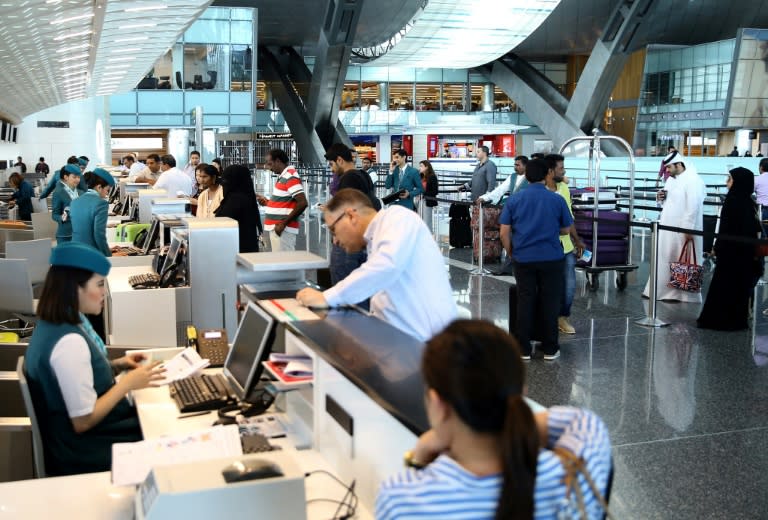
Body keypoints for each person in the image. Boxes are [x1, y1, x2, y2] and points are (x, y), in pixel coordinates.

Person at [375, 320, 612, 520]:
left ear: (437, 403)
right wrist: (506, 417)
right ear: (522, 393)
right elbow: (580, 420)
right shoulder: (574, 477)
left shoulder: (403, 501)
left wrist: (418, 458)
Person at [24, 242, 165, 476]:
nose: (102, 292)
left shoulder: (56, 323)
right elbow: (83, 420)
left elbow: (72, 378)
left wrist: (117, 366)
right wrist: (128, 383)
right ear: (75, 288)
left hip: (86, 441)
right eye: (99, 285)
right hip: (92, 448)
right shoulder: (68, 342)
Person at [296, 189, 457, 342]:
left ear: (351, 216)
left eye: (333, 230)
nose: (335, 240)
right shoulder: (374, 240)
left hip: (425, 347)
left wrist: (326, 297)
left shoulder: (397, 218)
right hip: (398, 340)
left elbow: (386, 266)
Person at [500, 159, 573, 360]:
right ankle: (550, 348)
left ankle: (523, 348)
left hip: (523, 258)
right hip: (551, 258)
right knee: (550, 301)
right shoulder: (556, 200)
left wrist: (512, 252)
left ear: (527, 176)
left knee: (525, 301)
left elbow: (504, 232)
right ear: (546, 175)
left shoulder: (514, 199)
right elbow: (566, 229)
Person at [697, 167, 763, 330]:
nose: (727, 182)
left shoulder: (732, 201)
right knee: (737, 288)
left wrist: (716, 248)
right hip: (744, 254)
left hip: (730, 253)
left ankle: (718, 320)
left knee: (723, 286)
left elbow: (725, 229)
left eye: (730, 178)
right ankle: (735, 320)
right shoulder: (749, 202)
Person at [642, 151, 706, 302]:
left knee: (684, 260)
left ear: (679, 164)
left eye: (669, 167)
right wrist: (660, 198)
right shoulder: (671, 180)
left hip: (684, 229)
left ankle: (684, 295)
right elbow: (667, 201)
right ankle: (660, 291)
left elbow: (693, 206)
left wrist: (687, 228)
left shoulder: (693, 180)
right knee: (666, 258)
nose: (667, 171)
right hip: (668, 227)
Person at [324, 143, 380, 288]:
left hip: (351, 241)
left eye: (332, 164)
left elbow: (347, 211)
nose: (332, 169)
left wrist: (337, 235)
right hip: (364, 238)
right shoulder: (363, 175)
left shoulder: (347, 178)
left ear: (340, 160)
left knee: (345, 285)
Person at [545, 153, 585, 335]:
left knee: (568, 286)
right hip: (545, 246)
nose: (564, 171)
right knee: (546, 285)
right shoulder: (539, 190)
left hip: (566, 247)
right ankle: (546, 319)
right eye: (561, 168)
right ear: (551, 170)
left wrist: (577, 240)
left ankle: (563, 317)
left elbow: (569, 219)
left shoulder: (564, 189)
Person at [257, 148, 308, 252]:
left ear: (278, 161)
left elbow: (303, 203)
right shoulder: (284, 176)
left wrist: (283, 223)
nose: (269, 168)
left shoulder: (290, 176)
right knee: (280, 262)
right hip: (278, 228)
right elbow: (285, 201)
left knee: (285, 262)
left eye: (270, 164)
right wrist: (267, 202)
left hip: (282, 229)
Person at [215, 164, 262, 253]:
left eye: (226, 180)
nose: (223, 184)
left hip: (237, 250)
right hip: (246, 248)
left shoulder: (235, 200)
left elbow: (223, 220)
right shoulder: (246, 196)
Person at [70, 168, 115, 257]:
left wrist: (106, 249)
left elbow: (84, 229)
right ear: (99, 187)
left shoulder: (74, 202)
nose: (107, 194)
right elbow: (99, 234)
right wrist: (108, 255)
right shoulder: (101, 203)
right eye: (107, 190)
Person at [51, 164, 82, 242]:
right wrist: (62, 217)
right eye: (74, 177)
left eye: (78, 177)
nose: (77, 180)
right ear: (66, 177)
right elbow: (54, 215)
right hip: (65, 235)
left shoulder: (81, 193)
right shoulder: (58, 193)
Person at [418, 160, 439, 233]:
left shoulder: (432, 177)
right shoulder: (420, 176)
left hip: (427, 201)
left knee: (427, 221)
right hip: (419, 201)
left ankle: (428, 237)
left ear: (426, 167)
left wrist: (424, 194)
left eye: (421, 166)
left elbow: (435, 191)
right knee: (420, 220)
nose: (419, 168)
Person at [755, 158, 768, 235]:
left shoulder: (757, 179)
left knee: (763, 235)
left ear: (761, 167)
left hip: (763, 210)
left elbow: (748, 192)